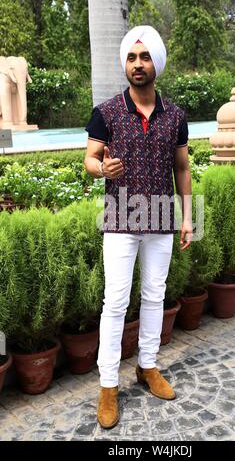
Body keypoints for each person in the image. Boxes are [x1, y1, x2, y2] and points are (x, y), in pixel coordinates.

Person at [84, 25, 192, 429]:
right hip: (120, 219)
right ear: (125, 65)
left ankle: (147, 367)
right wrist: (102, 168)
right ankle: (108, 385)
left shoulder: (175, 116)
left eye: (145, 57)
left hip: (162, 219)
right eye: (132, 57)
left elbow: (182, 167)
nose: (138, 64)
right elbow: (90, 160)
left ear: (156, 63)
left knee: (154, 295)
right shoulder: (107, 112)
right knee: (115, 302)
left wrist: (186, 217)